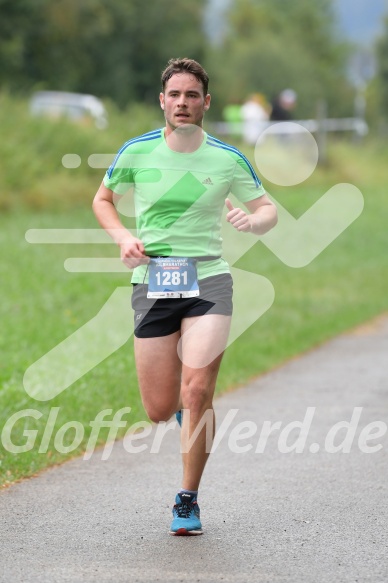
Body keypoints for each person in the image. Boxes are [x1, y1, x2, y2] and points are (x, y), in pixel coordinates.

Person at [92, 58, 278, 536]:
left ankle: (187, 498)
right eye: (174, 94)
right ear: (162, 100)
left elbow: (267, 209)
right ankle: (186, 412)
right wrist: (122, 239)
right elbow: (102, 199)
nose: (182, 102)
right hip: (154, 282)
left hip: (209, 280)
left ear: (206, 102)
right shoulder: (137, 151)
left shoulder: (226, 157)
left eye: (192, 95)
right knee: (159, 408)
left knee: (198, 390)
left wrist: (252, 222)